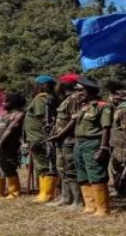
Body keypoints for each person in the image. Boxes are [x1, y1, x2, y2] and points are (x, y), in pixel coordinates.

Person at [73, 77, 113, 217]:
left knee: (96, 174)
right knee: (82, 174)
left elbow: (106, 128)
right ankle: (90, 206)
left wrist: (103, 148)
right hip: (79, 143)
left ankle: (102, 208)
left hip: (93, 143)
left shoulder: (103, 106)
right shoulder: (84, 107)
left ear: (88, 91)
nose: (77, 94)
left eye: (79, 91)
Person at [46, 73, 84, 210]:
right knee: (62, 168)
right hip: (61, 140)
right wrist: (55, 130)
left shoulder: (74, 98)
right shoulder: (66, 99)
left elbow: (74, 120)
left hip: (69, 139)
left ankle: (77, 201)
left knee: (70, 169)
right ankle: (66, 198)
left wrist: (61, 134)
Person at [23, 74, 58, 203]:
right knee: (40, 165)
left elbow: (44, 118)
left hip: (40, 137)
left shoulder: (41, 99)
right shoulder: (44, 98)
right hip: (36, 137)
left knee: (46, 165)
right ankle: (43, 192)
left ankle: (47, 194)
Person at [0, 93, 26, 199]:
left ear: (14, 103)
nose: (3, 104)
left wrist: (0, 143)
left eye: (6, 102)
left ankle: (14, 192)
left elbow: (10, 129)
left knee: (8, 167)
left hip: (9, 146)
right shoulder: (5, 115)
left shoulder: (19, 114)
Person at [105, 82, 126, 200]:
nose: (110, 97)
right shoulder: (119, 109)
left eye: (112, 95)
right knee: (116, 167)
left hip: (122, 144)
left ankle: (124, 190)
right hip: (117, 143)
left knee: (123, 167)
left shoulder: (124, 110)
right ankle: (120, 189)